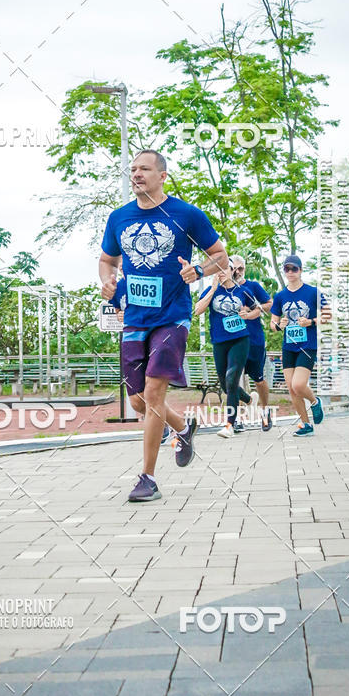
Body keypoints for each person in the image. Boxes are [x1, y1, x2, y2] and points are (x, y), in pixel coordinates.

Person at [99, 149, 228, 502]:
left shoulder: (186, 214)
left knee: (154, 394)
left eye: (144, 169)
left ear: (162, 176)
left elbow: (220, 256)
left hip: (172, 316)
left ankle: (148, 478)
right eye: (133, 169)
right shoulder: (119, 217)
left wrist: (199, 271)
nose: (136, 174)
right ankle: (183, 428)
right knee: (139, 401)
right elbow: (107, 260)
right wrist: (107, 281)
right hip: (134, 318)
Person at [270, 255, 327, 437]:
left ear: (301, 270)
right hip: (288, 347)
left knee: (299, 384)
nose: (290, 272)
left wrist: (310, 322)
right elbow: (273, 324)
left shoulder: (313, 292)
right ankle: (305, 424)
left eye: (294, 269)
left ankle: (315, 401)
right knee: (291, 388)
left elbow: (328, 315)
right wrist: (280, 325)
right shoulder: (280, 296)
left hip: (307, 345)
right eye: (287, 269)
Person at [194, 266, 255, 438]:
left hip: (240, 339)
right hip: (219, 342)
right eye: (217, 270)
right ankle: (249, 400)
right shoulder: (211, 290)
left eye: (224, 268)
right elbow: (198, 310)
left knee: (231, 379)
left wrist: (248, 313)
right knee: (226, 386)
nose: (220, 272)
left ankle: (230, 424)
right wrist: (213, 288)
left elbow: (257, 309)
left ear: (232, 271)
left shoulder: (243, 291)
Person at [109, 276, 170, 444]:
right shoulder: (118, 286)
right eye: (120, 262)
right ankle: (176, 422)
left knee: (152, 390)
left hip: (156, 333)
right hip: (132, 336)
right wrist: (120, 315)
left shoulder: (152, 276)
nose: (123, 265)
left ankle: (163, 425)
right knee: (137, 400)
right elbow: (117, 310)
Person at [230, 254, 273, 430]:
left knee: (259, 379)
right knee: (233, 380)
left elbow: (270, 303)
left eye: (240, 268)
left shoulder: (253, 286)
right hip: (233, 339)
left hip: (254, 339)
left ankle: (265, 410)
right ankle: (238, 418)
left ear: (245, 269)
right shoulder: (225, 289)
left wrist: (255, 308)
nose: (237, 272)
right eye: (233, 268)